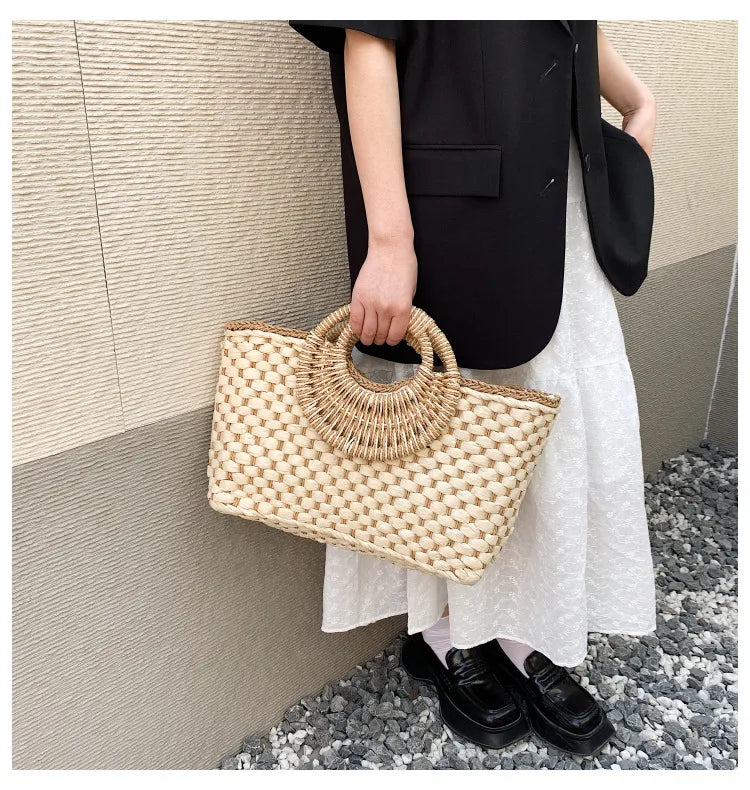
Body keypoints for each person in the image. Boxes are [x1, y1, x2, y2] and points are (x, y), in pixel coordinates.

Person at [289, 20, 657, 757]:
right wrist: (389, 242)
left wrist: (641, 106)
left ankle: (522, 627)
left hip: (559, 206)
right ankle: (441, 630)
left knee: (544, 424)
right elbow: (370, 37)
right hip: (454, 208)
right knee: (443, 428)